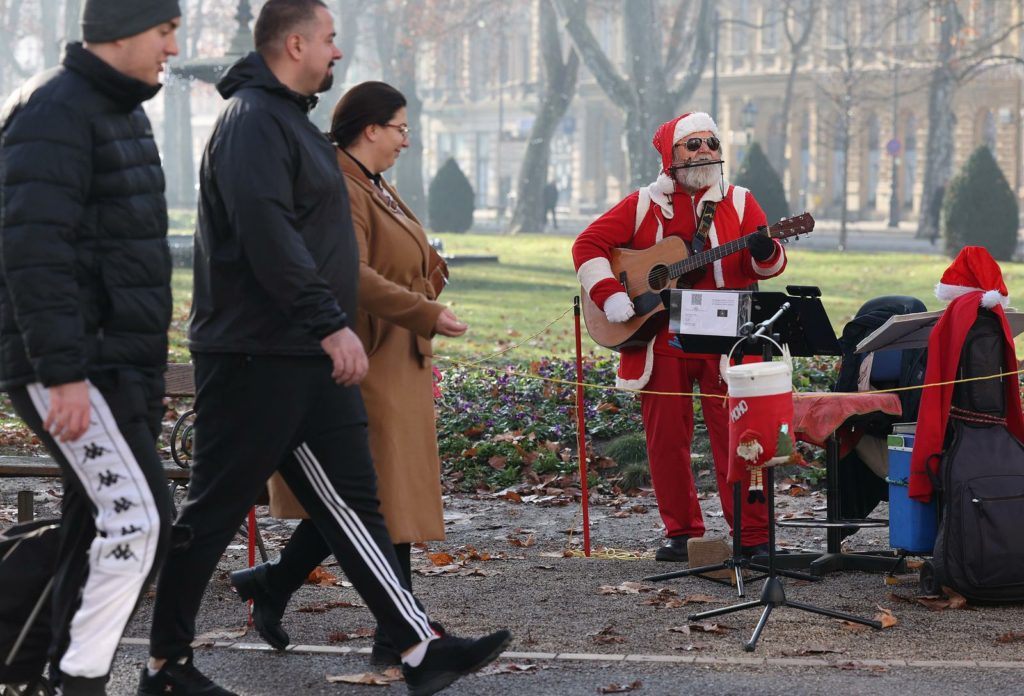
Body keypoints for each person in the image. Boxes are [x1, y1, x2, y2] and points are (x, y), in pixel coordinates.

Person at [139, 3, 509, 695]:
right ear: (296, 42)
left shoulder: (291, 124)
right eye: (331, 39)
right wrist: (330, 322)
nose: (338, 52)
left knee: (355, 505)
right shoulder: (251, 123)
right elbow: (268, 237)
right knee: (216, 509)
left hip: (304, 356)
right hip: (257, 356)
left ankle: (418, 647)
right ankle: (166, 662)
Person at [230, 80, 467, 666]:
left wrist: (428, 274)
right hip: (366, 356)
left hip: (396, 358)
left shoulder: (375, 183)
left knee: (384, 497)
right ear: (370, 129)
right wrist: (424, 309)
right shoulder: (342, 183)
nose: (406, 140)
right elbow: (349, 274)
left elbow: (405, 255)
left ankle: (278, 585)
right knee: (378, 499)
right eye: (400, 128)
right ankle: (398, 636)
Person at [0, 2, 181, 694]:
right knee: (140, 518)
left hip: (113, 365)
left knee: (94, 523)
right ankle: (77, 680)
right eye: (164, 32)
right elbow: (33, 253)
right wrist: (63, 374)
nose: (171, 47)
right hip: (75, 367)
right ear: (123, 30)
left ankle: (45, 672)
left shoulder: (119, 109)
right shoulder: (54, 111)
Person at [572, 112, 788, 563]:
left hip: (727, 337)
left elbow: (766, 266)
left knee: (740, 434)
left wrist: (767, 250)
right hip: (662, 336)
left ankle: (753, 535)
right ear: (669, 156)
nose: (706, 150)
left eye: (712, 141)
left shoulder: (743, 203)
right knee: (667, 439)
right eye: (693, 144)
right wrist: (610, 294)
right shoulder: (641, 204)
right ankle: (682, 532)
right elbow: (587, 246)